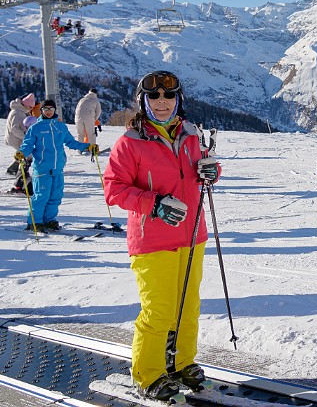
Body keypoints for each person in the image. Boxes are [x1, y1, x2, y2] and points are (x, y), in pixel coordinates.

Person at [102, 71, 221, 403]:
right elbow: (113, 189)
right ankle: (149, 373)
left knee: (188, 306)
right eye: (154, 97)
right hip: (152, 240)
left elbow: (202, 168)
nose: (162, 102)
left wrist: (212, 170)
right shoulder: (131, 142)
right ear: (143, 102)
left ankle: (181, 362)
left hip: (193, 235)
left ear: (178, 99)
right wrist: (153, 205)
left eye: (169, 97)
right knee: (159, 311)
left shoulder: (191, 135)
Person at [15, 100, 97, 231]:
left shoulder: (61, 127)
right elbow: (28, 145)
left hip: (58, 169)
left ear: (54, 111)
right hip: (42, 168)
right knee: (41, 196)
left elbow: (71, 142)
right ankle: (35, 222)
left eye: (51, 109)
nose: (48, 111)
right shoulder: (35, 128)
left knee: (55, 196)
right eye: (45, 109)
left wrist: (88, 147)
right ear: (41, 111)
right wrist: (21, 153)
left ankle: (49, 220)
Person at [3, 93, 35, 192]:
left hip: (16, 138)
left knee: (25, 156)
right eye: (30, 107)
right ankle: (19, 178)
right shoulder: (18, 112)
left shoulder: (19, 111)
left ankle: (19, 175)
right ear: (26, 105)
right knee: (26, 156)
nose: (30, 109)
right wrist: (26, 137)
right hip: (15, 138)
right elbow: (15, 129)